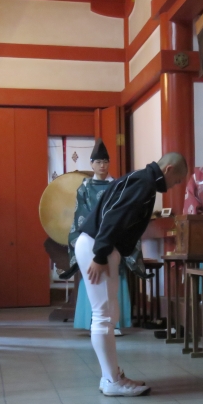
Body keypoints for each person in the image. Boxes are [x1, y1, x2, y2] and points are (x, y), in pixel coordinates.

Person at [75, 152, 188, 396]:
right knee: (104, 316)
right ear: (168, 169)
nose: (174, 186)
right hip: (98, 246)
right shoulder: (144, 184)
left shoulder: (141, 179)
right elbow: (114, 217)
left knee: (107, 314)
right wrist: (100, 255)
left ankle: (110, 377)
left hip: (97, 244)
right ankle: (112, 381)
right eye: (177, 180)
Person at [68, 140, 132, 336]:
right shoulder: (84, 188)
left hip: (112, 239)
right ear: (91, 164)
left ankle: (115, 324)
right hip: (91, 238)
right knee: (92, 277)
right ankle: (91, 322)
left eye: (105, 161)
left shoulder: (118, 185)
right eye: (98, 162)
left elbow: (123, 212)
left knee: (114, 277)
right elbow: (81, 215)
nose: (102, 165)